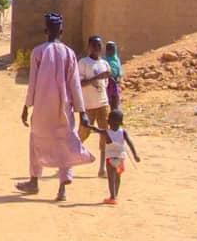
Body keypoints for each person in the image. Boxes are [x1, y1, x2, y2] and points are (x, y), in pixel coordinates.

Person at [19, 13, 93, 201]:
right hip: (64, 108)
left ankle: (34, 180)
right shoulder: (69, 53)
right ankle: (62, 188)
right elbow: (75, 85)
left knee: (36, 140)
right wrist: (82, 112)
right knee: (65, 142)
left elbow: (33, 83)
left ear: (45, 31)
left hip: (42, 108)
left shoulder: (38, 52)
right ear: (62, 31)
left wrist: (27, 106)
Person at [78, 36, 113, 174]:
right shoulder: (83, 63)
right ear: (89, 47)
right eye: (95, 46)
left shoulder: (104, 64)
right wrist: (96, 78)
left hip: (103, 103)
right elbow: (80, 83)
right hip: (88, 105)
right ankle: (68, 160)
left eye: (99, 46)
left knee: (105, 135)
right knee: (83, 134)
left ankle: (102, 168)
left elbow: (106, 84)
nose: (98, 49)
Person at [93, 108, 141, 205]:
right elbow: (130, 143)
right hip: (120, 158)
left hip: (110, 158)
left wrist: (87, 125)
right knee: (118, 177)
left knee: (111, 178)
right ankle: (116, 195)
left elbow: (96, 129)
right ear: (121, 122)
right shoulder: (123, 132)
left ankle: (112, 196)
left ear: (108, 121)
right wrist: (135, 155)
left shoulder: (106, 132)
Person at [104, 40, 124, 111]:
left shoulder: (116, 59)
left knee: (115, 98)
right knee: (108, 99)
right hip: (107, 83)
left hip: (115, 82)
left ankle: (115, 114)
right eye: (108, 49)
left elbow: (120, 70)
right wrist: (109, 77)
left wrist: (118, 77)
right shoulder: (104, 60)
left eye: (112, 49)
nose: (110, 51)